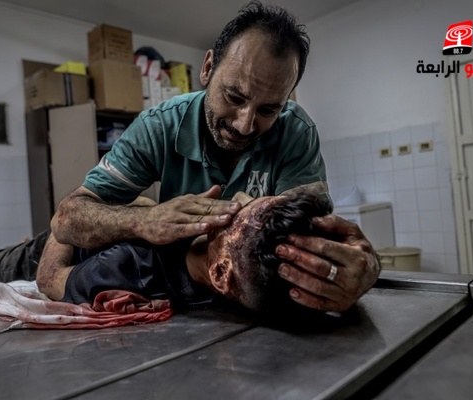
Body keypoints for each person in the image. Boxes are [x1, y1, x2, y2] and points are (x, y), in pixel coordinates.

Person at [48, 1, 381, 314]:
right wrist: (145, 221)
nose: (244, 124)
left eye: (268, 110)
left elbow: (309, 243)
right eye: (234, 97)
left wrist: (361, 268)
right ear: (208, 68)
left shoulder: (294, 131)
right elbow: (66, 219)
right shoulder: (160, 126)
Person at [37, 191, 335, 315]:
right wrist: (145, 212)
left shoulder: (130, 268)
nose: (240, 195)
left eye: (241, 209)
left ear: (220, 273)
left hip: (39, 251)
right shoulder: (243, 280)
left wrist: (70, 217)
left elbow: (48, 279)